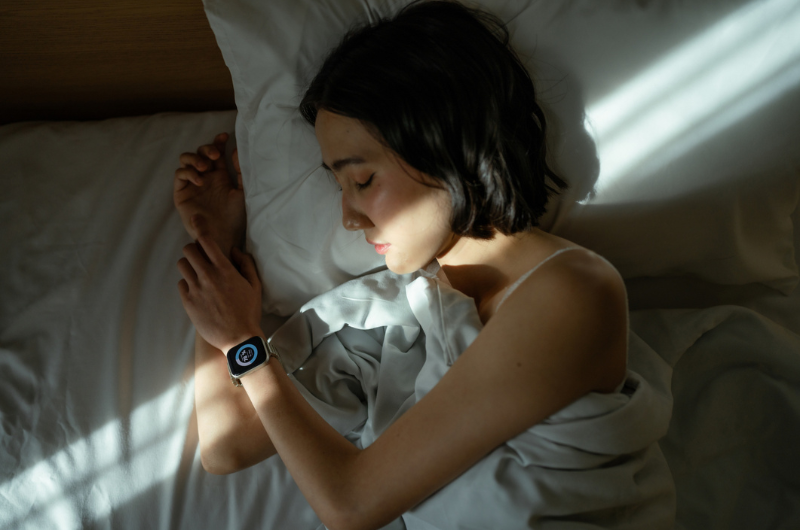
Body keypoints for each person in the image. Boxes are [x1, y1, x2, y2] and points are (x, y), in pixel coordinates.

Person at [173, 2, 634, 529]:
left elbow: (351, 504)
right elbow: (226, 446)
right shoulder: (403, 313)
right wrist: (218, 246)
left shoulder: (571, 291)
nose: (348, 218)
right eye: (338, 185)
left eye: (363, 180)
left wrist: (242, 344)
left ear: (447, 140)